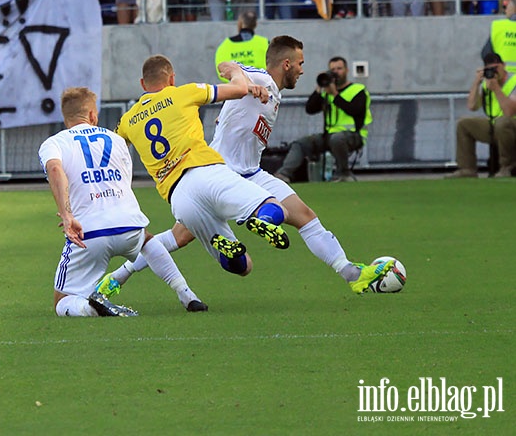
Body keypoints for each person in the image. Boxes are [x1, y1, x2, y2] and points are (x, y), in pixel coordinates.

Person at [102, 37, 395, 296]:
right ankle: (119, 276)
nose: (304, 70)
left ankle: (351, 274)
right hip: (218, 171)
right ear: (287, 63)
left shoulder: (275, 92)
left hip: (251, 171)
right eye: (301, 63)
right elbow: (227, 66)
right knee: (183, 235)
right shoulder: (260, 78)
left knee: (304, 215)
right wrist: (245, 79)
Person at [111, 54, 290, 287]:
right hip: (206, 172)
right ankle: (264, 220)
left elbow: (113, 149)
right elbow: (236, 89)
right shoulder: (183, 92)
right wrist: (238, 73)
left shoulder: (127, 120)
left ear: (143, 84)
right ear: (172, 78)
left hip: (179, 198)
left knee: (243, 266)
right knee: (276, 208)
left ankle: (229, 251)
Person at [40, 87, 207, 317]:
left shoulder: (54, 143)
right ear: (92, 115)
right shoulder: (116, 140)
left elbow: (55, 169)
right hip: (129, 227)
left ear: (65, 116)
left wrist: (67, 215)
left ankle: (91, 308)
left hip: (89, 234)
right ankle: (187, 294)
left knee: (62, 301)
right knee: (148, 241)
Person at [276, 55, 371, 183]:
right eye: (333, 70)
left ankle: (343, 173)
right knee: (301, 143)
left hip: (353, 135)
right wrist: (319, 89)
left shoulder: (358, 90)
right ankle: (283, 175)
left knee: (337, 139)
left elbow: (355, 110)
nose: (336, 72)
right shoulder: (327, 91)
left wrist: (335, 95)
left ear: (347, 71)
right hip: (329, 136)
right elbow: (310, 109)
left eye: (339, 69)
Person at [446, 53, 516, 178]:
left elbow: (510, 111)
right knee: (464, 124)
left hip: (511, 126)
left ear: (504, 66)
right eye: (490, 70)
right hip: (495, 127)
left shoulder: (514, 81)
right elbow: (472, 106)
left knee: (503, 122)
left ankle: (507, 167)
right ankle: (467, 169)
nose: (494, 72)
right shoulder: (487, 84)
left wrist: (496, 89)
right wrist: (476, 83)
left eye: (496, 68)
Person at [214, 10, 268, 79]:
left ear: (239, 23)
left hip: (235, 87)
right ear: (256, 24)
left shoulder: (225, 45)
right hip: (260, 85)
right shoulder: (264, 42)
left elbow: (221, 72)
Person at [489, 0, 516, 75]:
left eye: (506, 7)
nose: (505, 10)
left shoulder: (498, 26)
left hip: (503, 76)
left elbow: (486, 53)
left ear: (514, 9)